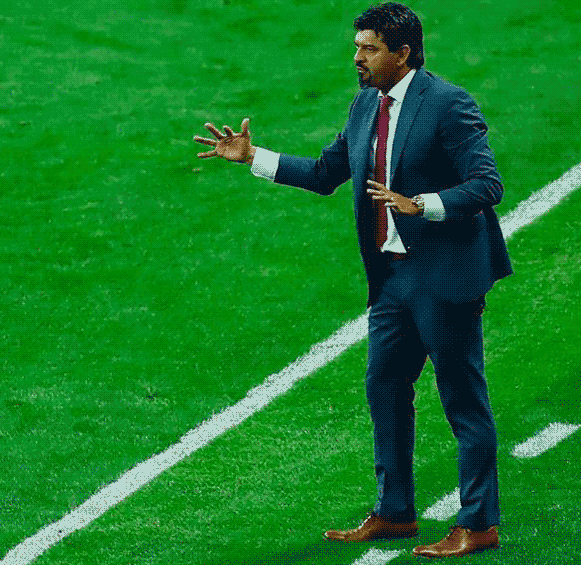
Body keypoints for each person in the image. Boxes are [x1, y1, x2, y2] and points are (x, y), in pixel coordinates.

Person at [193, 2, 512, 558]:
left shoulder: (448, 104)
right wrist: (252, 157)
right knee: (384, 389)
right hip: (392, 279)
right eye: (357, 47)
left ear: (402, 53)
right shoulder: (367, 104)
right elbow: (325, 174)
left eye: (369, 48)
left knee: (463, 401)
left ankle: (479, 523)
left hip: (445, 278)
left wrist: (422, 204)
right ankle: (395, 512)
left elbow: (487, 184)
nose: (357, 58)